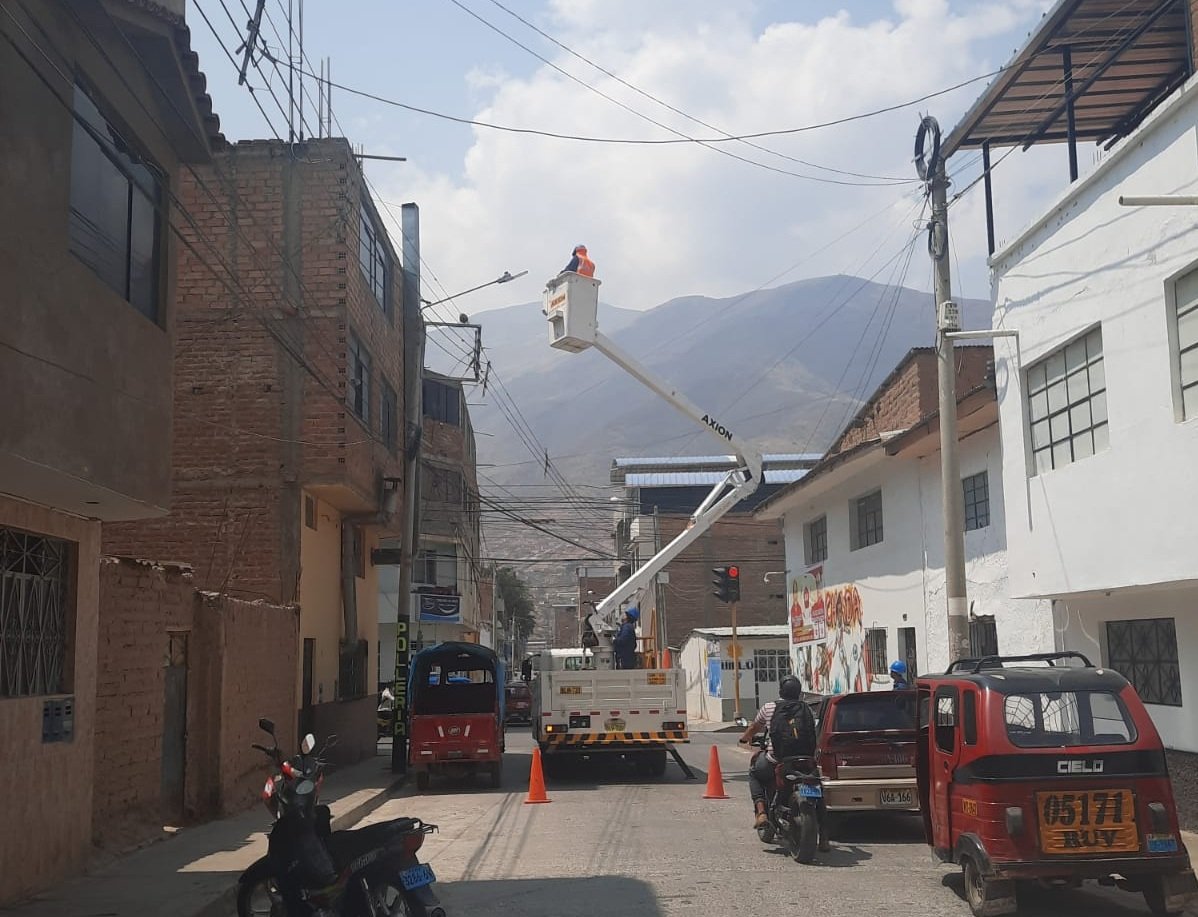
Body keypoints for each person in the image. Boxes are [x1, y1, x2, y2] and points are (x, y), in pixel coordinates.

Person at [739, 675, 819, 837]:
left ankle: (761, 812)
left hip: (777, 760)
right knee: (817, 788)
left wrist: (744, 738)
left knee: (755, 773)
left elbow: (755, 727)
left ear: (781, 691)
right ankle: (823, 835)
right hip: (805, 760)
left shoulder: (770, 707)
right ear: (798, 692)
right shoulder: (807, 709)